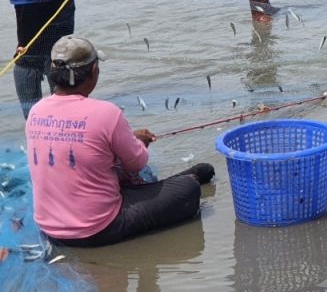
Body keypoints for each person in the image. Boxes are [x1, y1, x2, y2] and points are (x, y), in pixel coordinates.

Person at [25, 35, 213, 247]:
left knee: (202, 171)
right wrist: (140, 142)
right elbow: (137, 163)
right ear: (94, 70)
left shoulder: (36, 111)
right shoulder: (106, 113)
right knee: (189, 187)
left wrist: (130, 139)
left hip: (51, 228)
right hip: (98, 229)